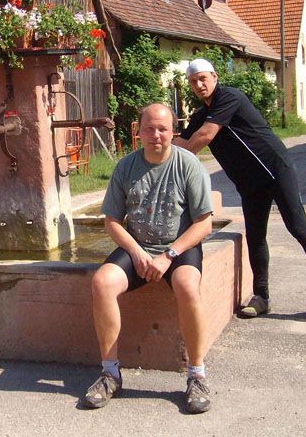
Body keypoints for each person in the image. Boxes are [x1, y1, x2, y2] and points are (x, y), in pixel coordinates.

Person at [174, 58, 306, 324]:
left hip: (275, 169)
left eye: (203, 78)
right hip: (249, 182)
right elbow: (182, 143)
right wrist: (156, 144)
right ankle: (261, 297)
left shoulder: (229, 97)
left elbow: (203, 137)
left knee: (298, 227)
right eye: (193, 81)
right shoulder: (201, 115)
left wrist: (173, 159)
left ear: (215, 77)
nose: (199, 84)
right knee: (255, 236)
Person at [83, 104, 214, 414]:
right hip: (139, 248)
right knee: (102, 283)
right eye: (150, 129)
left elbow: (204, 224)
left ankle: (197, 375)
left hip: (178, 248)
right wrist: (136, 252)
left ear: (173, 131)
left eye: (163, 129)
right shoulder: (126, 167)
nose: (156, 135)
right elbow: (112, 221)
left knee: (187, 286)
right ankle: (110, 374)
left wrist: (169, 255)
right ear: (139, 132)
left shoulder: (188, 165)